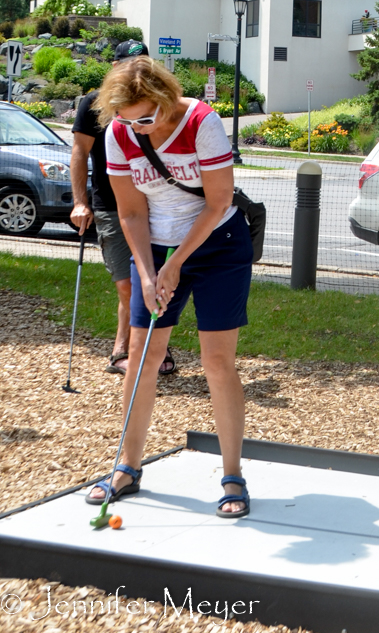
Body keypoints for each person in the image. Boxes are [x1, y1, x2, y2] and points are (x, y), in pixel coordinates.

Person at [85, 56, 253, 518]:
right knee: (142, 357)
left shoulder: (202, 121)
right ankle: (127, 466)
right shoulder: (119, 134)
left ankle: (233, 474)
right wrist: (145, 270)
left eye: (146, 116)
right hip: (155, 249)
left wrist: (177, 263)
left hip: (217, 244)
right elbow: (132, 212)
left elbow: (218, 200)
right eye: (127, 119)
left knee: (217, 360)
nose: (138, 127)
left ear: (163, 97)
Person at [69, 39, 175, 376]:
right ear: (115, 67)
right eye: (129, 62)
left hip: (154, 205)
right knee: (128, 283)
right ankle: (124, 347)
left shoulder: (158, 103)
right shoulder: (93, 104)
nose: (136, 69)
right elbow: (79, 153)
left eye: (142, 62)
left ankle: (149, 346)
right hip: (112, 205)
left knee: (155, 278)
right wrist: (79, 203)